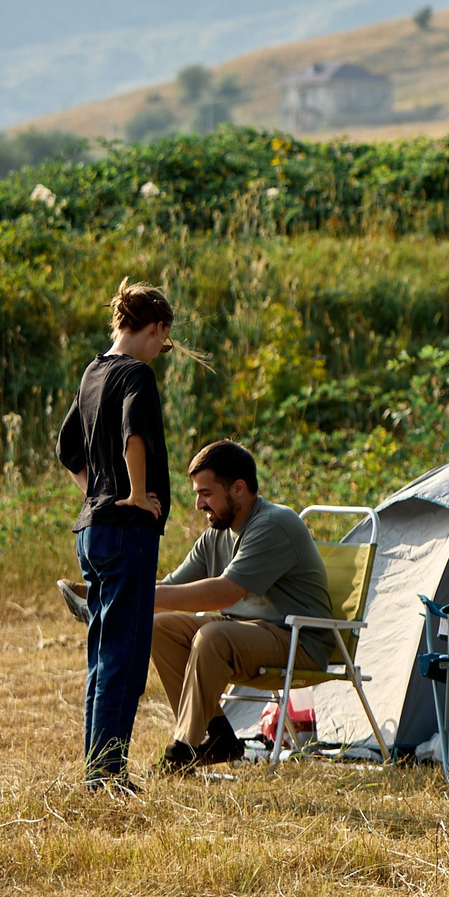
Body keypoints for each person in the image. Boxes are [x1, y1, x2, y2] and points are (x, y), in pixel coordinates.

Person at [56, 280, 182, 792]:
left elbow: (67, 447)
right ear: (155, 328)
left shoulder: (92, 372)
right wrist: (132, 494)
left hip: (93, 531)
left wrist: (97, 492)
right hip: (127, 533)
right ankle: (107, 774)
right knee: (124, 657)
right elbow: (134, 434)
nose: (160, 352)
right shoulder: (136, 375)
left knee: (102, 654)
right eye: (163, 341)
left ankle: (97, 770)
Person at [148, 440, 336, 773]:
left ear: (238, 488)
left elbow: (225, 593)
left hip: (298, 640)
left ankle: (183, 750)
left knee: (212, 636)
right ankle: (218, 736)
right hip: (247, 636)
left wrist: (140, 600)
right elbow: (171, 586)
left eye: (206, 493)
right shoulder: (216, 535)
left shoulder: (274, 523)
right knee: (160, 628)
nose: (198, 504)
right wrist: (117, 596)